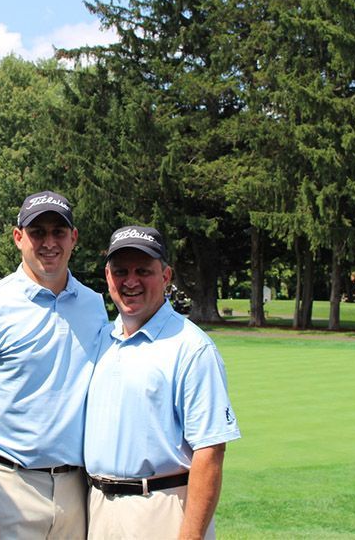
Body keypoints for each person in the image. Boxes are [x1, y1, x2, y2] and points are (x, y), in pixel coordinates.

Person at [0, 190, 108, 540]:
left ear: (73, 238)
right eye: (37, 232)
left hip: (76, 492)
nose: (49, 242)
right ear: (19, 238)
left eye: (58, 232)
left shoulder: (94, 305)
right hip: (6, 489)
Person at [84, 226, 241, 540]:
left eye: (144, 271)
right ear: (108, 276)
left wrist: (191, 535)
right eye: (121, 271)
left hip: (161, 509)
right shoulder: (102, 339)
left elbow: (210, 451)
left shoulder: (191, 347)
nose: (131, 281)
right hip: (98, 506)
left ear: (166, 276)